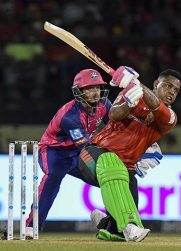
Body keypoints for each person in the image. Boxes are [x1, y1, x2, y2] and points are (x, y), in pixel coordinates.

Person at [79, 66, 181, 242]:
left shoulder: (170, 117)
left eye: (176, 90)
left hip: (124, 169)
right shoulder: (132, 92)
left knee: (120, 231)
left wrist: (138, 84)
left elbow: (155, 105)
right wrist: (129, 102)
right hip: (92, 155)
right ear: (156, 84)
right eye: (168, 86)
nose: (171, 92)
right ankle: (127, 225)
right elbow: (114, 114)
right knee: (111, 161)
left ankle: (106, 223)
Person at [19, 69, 112, 237]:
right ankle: (30, 226)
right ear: (79, 92)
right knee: (53, 177)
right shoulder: (70, 116)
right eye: (89, 88)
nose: (95, 93)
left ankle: (112, 222)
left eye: (97, 87)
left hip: (78, 152)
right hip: (54, 150)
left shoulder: (104, 106)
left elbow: (115, 129)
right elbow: (86, 147)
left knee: (108, 178)